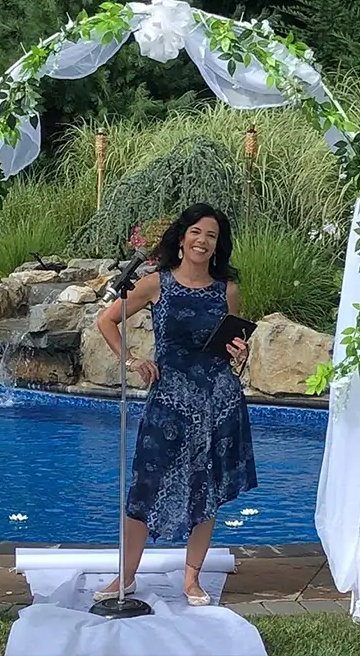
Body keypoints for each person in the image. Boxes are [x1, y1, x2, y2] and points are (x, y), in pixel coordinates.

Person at [93, 202, 258, 606]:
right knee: (144, 487)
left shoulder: (227, 291)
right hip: (168, 403)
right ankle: (125, 577)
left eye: (212, 236)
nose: (203, 241)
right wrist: (132, 360)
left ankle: (191, 580)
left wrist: (241, 354)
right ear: (183, 238)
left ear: (218, 246)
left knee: (208, 490)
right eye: (197, 232)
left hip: (217, 402)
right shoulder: (156, 283)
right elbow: (106, 321)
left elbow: (233, 346)